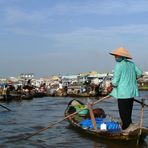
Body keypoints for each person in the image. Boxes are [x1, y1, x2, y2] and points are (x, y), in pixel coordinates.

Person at [107, 47, 142, 130]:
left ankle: (126, 129)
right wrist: (132, 78)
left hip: (123, 93)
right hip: (131, 92)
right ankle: (128, 126)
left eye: (117, 56)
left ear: (123, 56)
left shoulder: (119, 65)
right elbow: (140, 73)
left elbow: (115, 81)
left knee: (123, 114)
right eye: (115, 56)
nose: (115, 57)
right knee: (128, 113)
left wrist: (111, 86)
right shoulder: (132, 64)